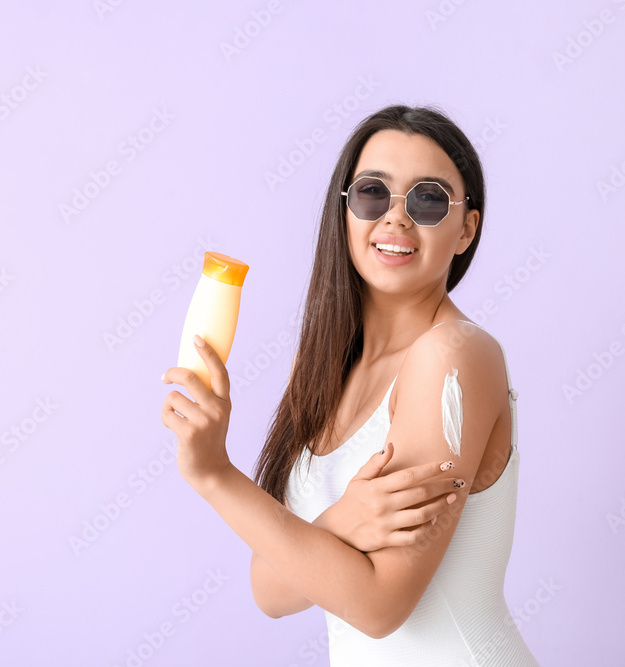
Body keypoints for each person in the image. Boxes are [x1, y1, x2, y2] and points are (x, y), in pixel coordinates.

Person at [160, 104, 538, 666]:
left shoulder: (454, 356)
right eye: (372, 194)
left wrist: (215, 475)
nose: (396, 219)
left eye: (429, 199)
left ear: (466, 229)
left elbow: (380, 607)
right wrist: (342, 519)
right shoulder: (325, 366)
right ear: (344, 212)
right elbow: (272, 591)